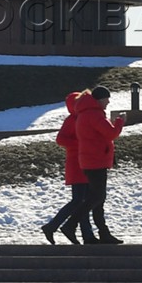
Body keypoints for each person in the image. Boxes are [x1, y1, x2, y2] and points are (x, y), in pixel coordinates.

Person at [72, 85, 127, 245]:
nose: (108, 102)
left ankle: (104, 233)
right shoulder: (94, 114)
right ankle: (71, 224)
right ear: (100, 99)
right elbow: (111, 133)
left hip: (91, 160)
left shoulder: (86, 113)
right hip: (96, 161)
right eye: (106, 99)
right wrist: (120, 122)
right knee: (97, 197)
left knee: (97, 200)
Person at [41, 91, 97, 245]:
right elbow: (60, 139)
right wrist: (81, 144)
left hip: (85, 163)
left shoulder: (82, 118)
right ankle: (52, 226)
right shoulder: (72, 120)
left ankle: (87, 235)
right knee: (78, 200)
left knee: (83, 201)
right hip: (76, 164)